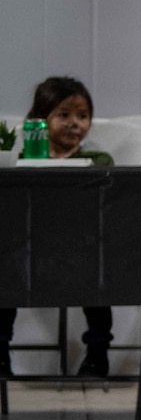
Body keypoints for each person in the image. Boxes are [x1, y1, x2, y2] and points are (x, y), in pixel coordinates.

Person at [0, 77, 116, 381]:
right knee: (5, 269)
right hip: (29, 246)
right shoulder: (23, 160)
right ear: (40, 120)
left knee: (98, 270)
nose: (74, 123)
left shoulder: (99, 160)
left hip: (81, 247)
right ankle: (1, 354)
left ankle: (97, 354)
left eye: (82, 115)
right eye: (64, 115)